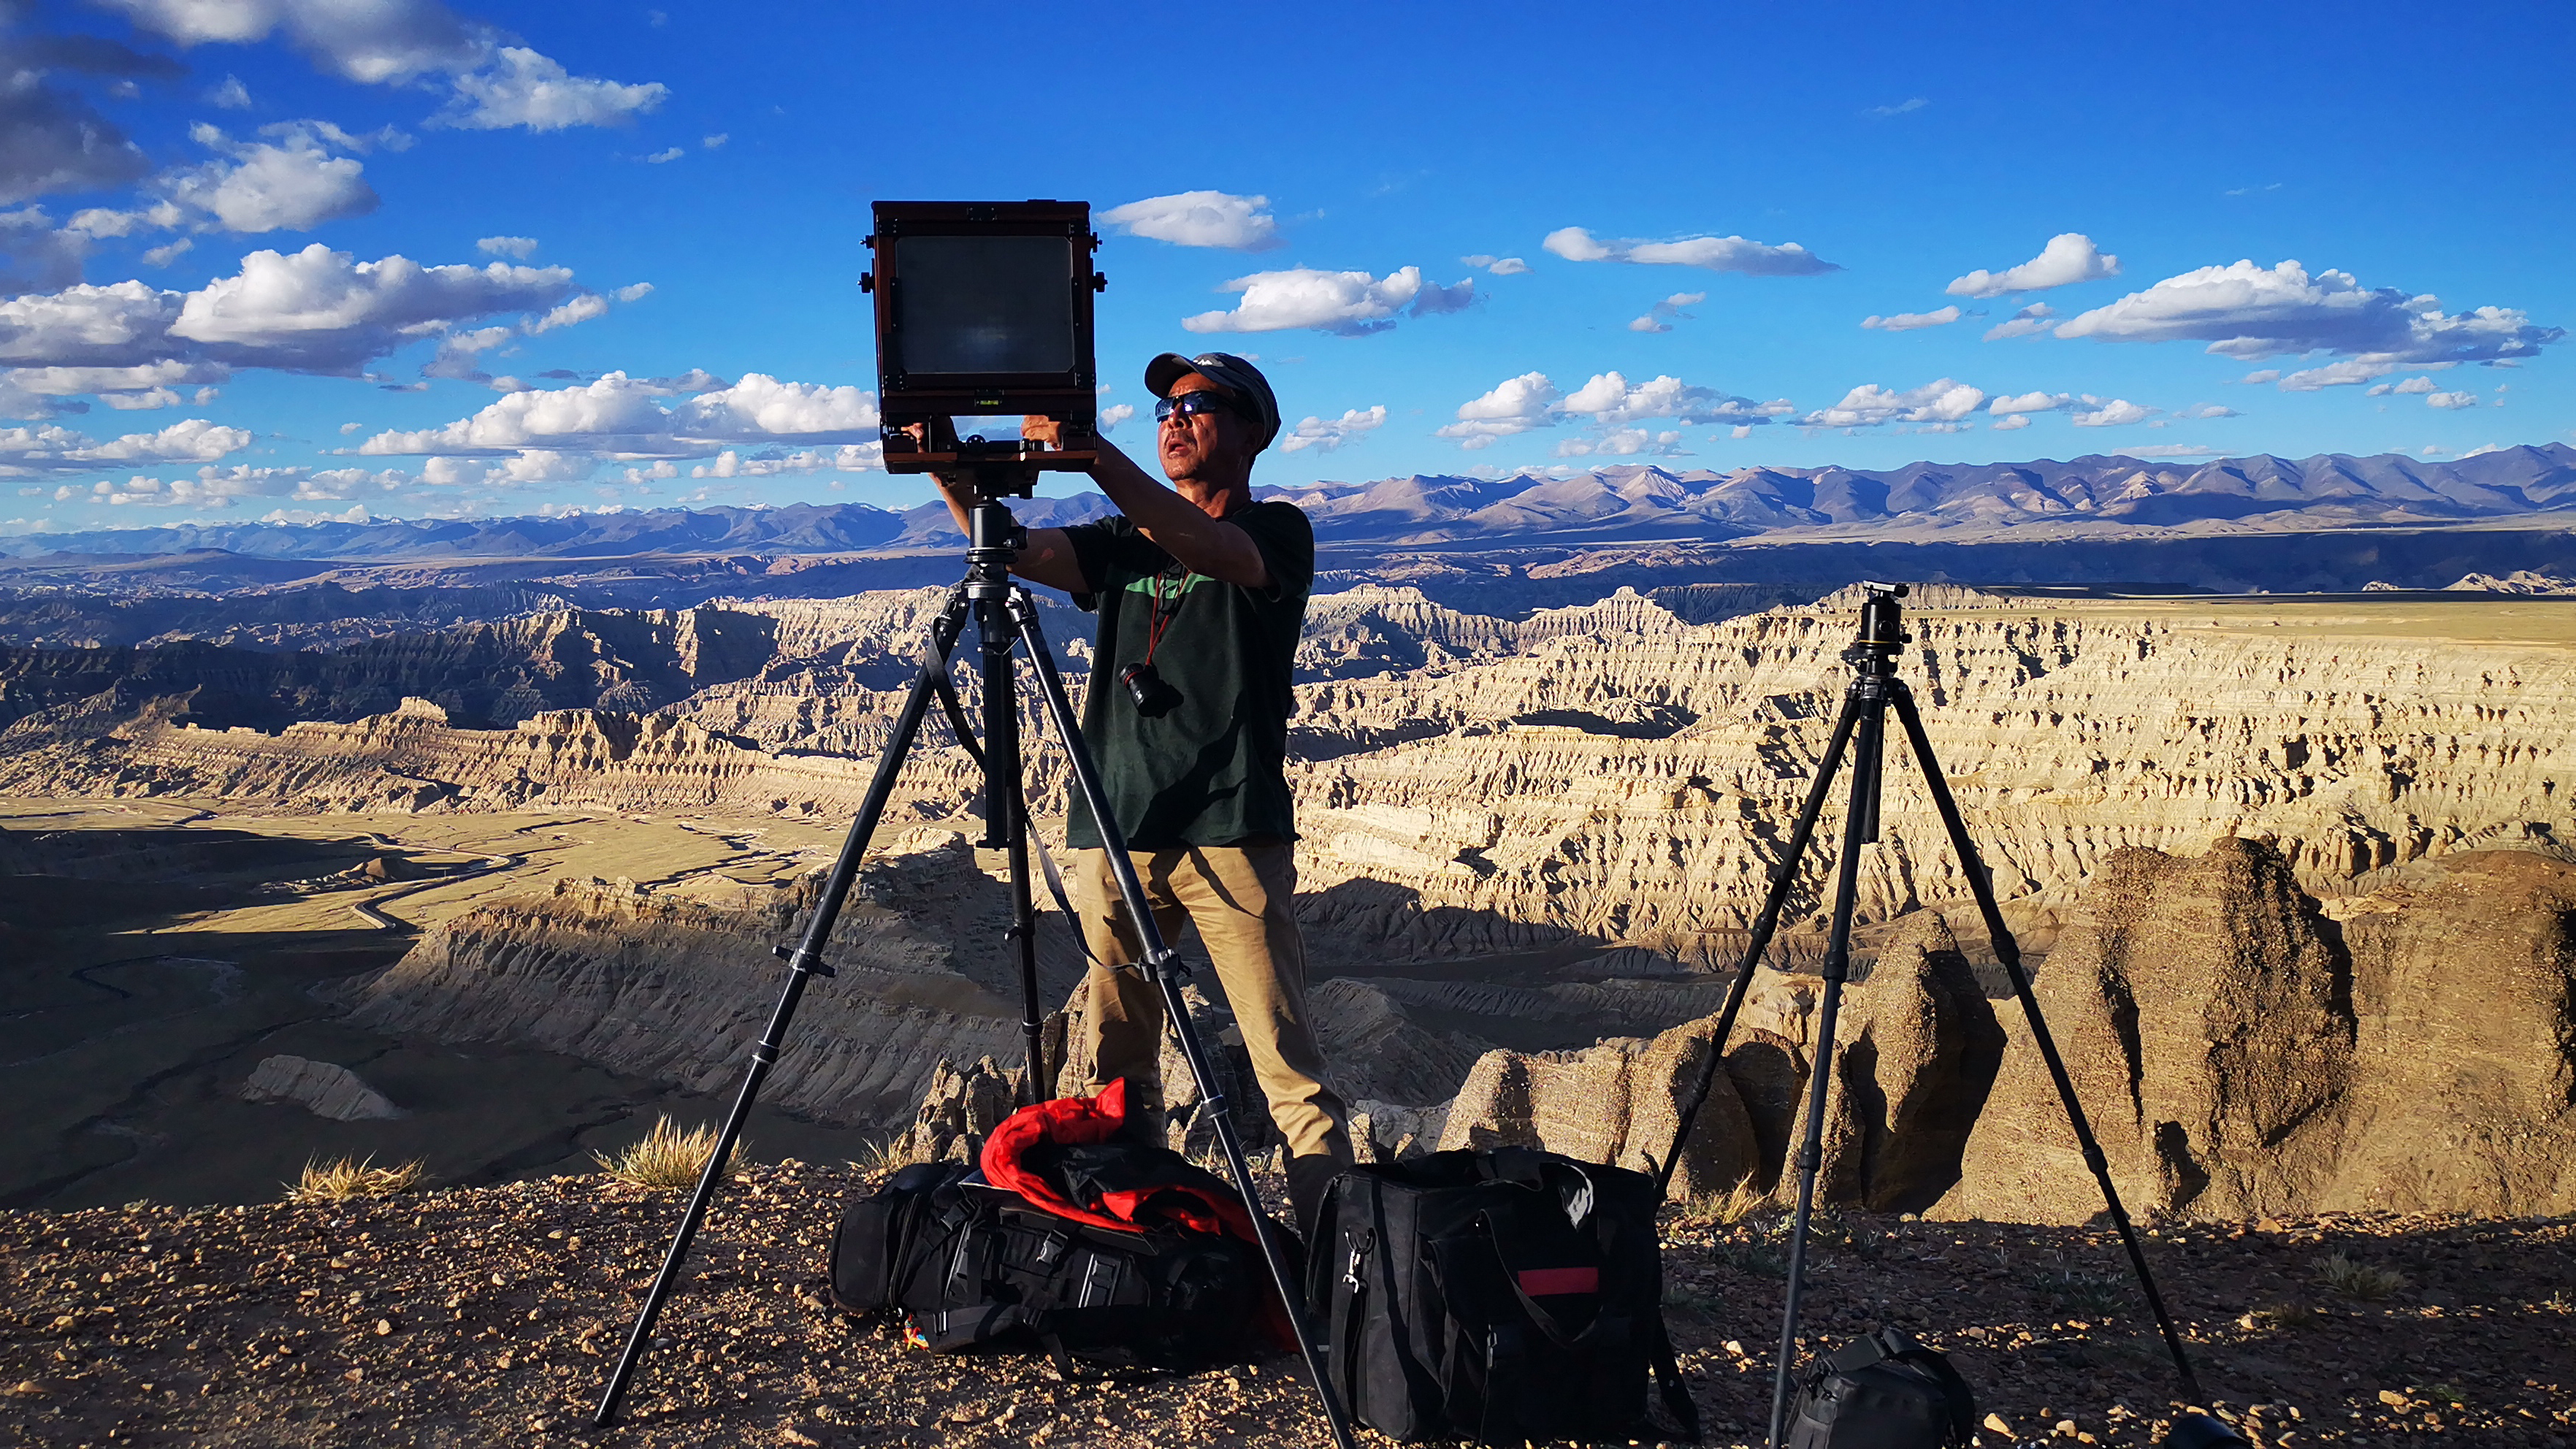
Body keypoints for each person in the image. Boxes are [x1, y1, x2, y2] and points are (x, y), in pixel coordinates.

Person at [927, 350, 1355, 1236]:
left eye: (1198, 403)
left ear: (1250, 432)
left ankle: (1335, 1266)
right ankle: (1134, 1245)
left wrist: (1094, 457)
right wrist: (943, 465)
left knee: (1286, 1069)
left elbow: (1206, 544)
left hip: (1231, 830)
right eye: (1162, 403)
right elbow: (1007, 548)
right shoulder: (1119, 545)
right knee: (1117, 1070)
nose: (1172, 416)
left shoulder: (1279, 532)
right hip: (1116, 831)